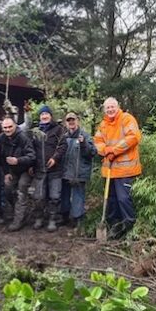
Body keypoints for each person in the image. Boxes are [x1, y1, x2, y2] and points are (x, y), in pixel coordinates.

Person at [93, 97, 142, 239]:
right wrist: (106, 150)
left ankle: (130, 228)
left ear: (118, 106)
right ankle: (115, 227)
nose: (110, 110)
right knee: (111, 200)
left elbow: (133, 137)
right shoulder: (103, 125)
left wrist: (114, 150)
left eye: (112, 106)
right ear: (104, 109)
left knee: (123, 199)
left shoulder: (127, 119)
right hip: (110, 170)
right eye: (107, 107)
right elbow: (97, 142)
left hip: (126, 170)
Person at [30, 105, 67, 232]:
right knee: (38, 196)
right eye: (42, 114)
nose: (44, 116)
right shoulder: (35, 131)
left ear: (51, 116)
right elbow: (31, 149)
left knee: (54, 196)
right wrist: (31, 165)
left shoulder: (58, 129)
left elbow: (62, 146)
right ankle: (39, 218)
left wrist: (55, 158)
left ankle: (52, 219)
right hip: (39, 169)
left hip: (55, 170)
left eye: (46, 114)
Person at [0, 117, 36, 231]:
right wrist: (6, 173)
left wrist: (18, 160)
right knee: (7, 189)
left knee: (21, 189)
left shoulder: (23, 137)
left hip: (26, 168)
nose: (8, 129)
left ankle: (18, 220)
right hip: (12, 170)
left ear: (15, 126)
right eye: (5, 127)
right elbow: (1, 158)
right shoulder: (1, 138)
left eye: (10, 127)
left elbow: (32, 156)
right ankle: (19, 212)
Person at [60, 112, 95, 229]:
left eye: (73, 120)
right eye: (69, 120)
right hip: (65, 172)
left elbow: (92, 153)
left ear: (77, 121)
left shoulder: (85, 136)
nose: (71, 122)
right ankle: (64, 217)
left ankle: (78, 219)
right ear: (66, 123)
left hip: (79, 172)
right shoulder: (64, 137)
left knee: (78, 196)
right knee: (64, 196)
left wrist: (83, 143)